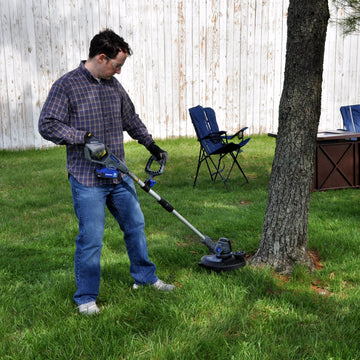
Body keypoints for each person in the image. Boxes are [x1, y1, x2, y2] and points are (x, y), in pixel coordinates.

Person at [39, 29, 175, 315]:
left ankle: (145, 279)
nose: (119, 71)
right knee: (91, 238)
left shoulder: (113, 86)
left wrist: (151, 145)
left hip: (118, 174)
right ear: (102, 58)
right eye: (117, 65)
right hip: (87, 178)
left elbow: (131, 119)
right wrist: (83, 137)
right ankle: (86, 298)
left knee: (135, 227)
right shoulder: (67, 85)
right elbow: (48, 124)